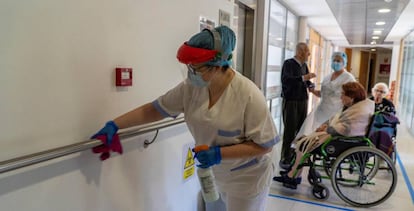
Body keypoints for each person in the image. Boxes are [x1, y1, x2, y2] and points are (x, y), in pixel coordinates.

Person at [91, 26, 279, 211]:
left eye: (196, 67)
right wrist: (115, 125)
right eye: (189, 66)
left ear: (218, 64)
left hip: (248, 177)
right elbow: (154, 110)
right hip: (217, 174)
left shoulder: (249, 96)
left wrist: (218, 154)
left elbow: (265, 145)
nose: (191, 72)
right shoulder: (192, 87)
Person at [273, 82, 374, 189]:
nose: (341, 97)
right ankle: (294, 173)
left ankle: (293, 176)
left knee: (303, 144)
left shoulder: (357, 111)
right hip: (339, 137)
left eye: (343, 94)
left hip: (340, 140)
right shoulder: (356, 106)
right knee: (303, 141)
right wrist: (326, 125)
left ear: (352, 97)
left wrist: (327, 128)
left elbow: (346, 129)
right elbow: (338, 120)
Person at [295, 51, 355, 139]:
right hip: (321, 111)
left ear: (344, 63)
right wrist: (313, 91)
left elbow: (351, 98)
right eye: (334, 60)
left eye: (338, 61)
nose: (336, 63)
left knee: (327, 138)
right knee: (315, 137)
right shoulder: (327, 77)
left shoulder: (348, 78)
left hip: (335, 114)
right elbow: (323, 94)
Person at [279, 42, 316, 169]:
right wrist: (303, 78)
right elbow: (286, 80)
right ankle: (285, 158)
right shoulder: (288, 63)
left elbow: (305, 81)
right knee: (290, 130)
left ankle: (295, 155)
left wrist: (310, 85)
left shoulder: (304, 65)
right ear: (300, 52)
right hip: (291, 101)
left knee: (300, 130)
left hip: (302, 100)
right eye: (307, 51)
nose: (309, 54)